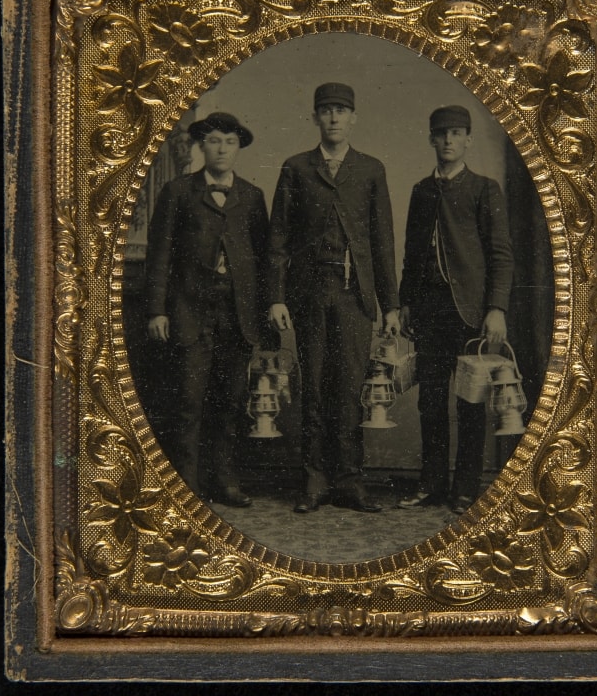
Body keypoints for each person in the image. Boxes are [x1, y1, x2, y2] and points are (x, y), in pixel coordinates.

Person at [267, 83, 400, 513]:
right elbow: (278, 239)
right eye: (326, 110)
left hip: (353, 296)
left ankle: (349, 481)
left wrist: (390, 305)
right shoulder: (296, 168)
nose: (334, 118)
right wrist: (277, 297)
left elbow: (382, 243)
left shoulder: (370, 169)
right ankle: (314, 480)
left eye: (341, 110)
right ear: (315, 118)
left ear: (353, 118)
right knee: (313, 386)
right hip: (309, 293)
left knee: (350, 387)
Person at [146, 112, 269, 507]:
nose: (222, 149)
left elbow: (263, 260)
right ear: (201, 146)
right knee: (188, 401)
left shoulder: (252, 196)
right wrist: (157, 310)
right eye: (214, 141)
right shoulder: (178, 191)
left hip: (236, 314)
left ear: (238, 148)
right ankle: (187, 487)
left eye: (229, 142)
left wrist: (262, 315)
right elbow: (160, 255)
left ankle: (224, 481)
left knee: (229, 401)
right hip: (189, 311)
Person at [398, 105, 514, 515]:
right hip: (428, 310)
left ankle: (464, 489)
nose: (448, 140)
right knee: (429, 401)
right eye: (442, 134)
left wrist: (496, 308)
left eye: (457, 133)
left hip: (469, 311)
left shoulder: (484, 189)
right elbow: (411, 255)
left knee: (470, 401)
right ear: (432, 139)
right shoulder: (421, 191)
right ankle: (430, 484)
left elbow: (500, 255)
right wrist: (406, 302)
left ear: (468, 140)